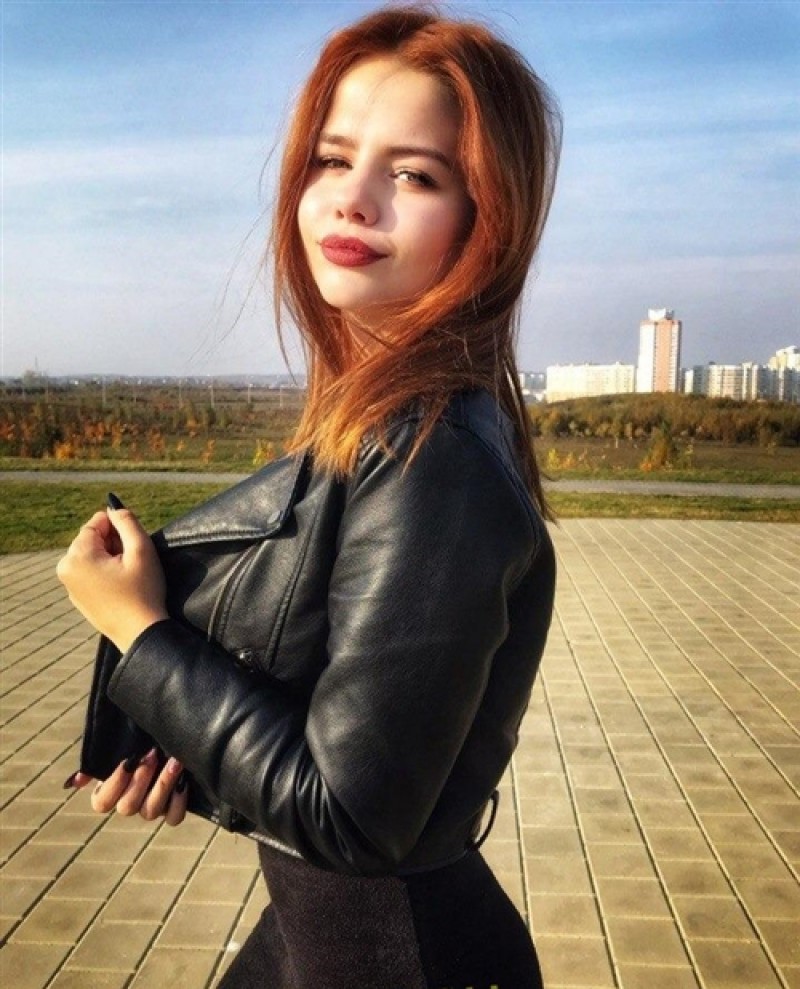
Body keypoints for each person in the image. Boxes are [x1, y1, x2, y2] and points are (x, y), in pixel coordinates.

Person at [57, 5, 561, 987]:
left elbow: (351, 817)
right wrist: (195, 756)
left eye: (414, 175)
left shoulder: (433, 458)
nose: (352, 200)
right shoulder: (382, 424)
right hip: (323, 938)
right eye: (332, 159)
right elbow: (338, 737)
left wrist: (138, 632)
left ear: (485, 219)